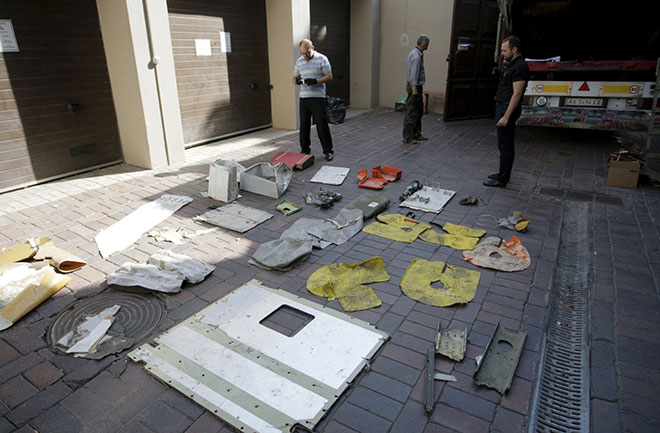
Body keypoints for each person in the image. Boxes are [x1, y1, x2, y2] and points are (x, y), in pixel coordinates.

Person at [483, 35, 529, 187]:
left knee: (506, 145)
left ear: (514, 49)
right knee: (503, 144)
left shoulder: (520, 66)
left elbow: (516, 94)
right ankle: (502, 173)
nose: (502, 53)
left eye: (504, 50)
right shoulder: (513, 64)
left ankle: (503, 178)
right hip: (503, 105)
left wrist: (506, 116)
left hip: (507, 108)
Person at [293, 39, 334, 161]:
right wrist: (297, 81)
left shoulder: (322, 58)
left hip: (318, 98)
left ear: (313, 48)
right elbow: (294, 78)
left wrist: (315, 81)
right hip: (304, 98)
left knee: (321, 125)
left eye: (307, 53)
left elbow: (329, 76)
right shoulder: (299, 61)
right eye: (302, 53)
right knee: (304, 126)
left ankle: (328, 151)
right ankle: (305, 150)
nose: (305, 56)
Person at [403, 34, 430, 145]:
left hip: (417, 86)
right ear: (424, 44)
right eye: (427, 44)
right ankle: (408, 137)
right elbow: (414, 76)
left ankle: (416, 133)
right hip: (414, 87)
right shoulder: (416, 56)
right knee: (412, 112)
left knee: (418, 111)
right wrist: (415, 92)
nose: (428, 46)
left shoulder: (417, 54)